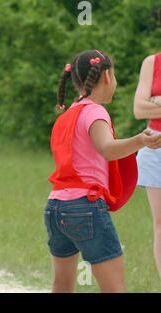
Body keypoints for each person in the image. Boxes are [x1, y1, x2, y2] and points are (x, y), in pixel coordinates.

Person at [45, 49, 161, 293]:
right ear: (107, 76)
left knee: (62, 287)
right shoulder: (96, 111)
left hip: (55, 207)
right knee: (114, 288)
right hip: (85, 206)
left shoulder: (67, 115)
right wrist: (140, 140)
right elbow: (107, 149)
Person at [133, 8, 161, 280]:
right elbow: (139, 109)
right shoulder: (152, 63)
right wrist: (149, 105)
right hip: (156, 150)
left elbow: (148, 105)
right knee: (160, 226)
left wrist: (157, 102)